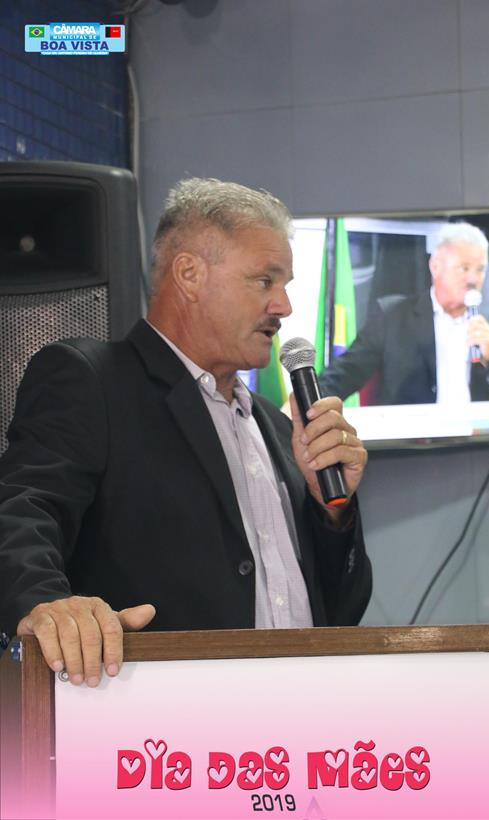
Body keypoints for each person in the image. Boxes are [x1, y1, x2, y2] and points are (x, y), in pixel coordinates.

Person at [0, 178, 370, 687]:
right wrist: (45, 605)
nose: (283, 306)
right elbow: (23, 508)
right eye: (265, 281)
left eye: (285, 285)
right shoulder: (94, 380)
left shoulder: (278, 426)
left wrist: (333, 511)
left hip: (302, 714)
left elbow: (342, 612)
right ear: (189, 275)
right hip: (159, 721)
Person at [318, 222, 489, 406]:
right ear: (435, 267)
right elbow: (344, 375)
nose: (473, 279)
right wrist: (307, 407)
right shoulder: (392, 317)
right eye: (464, 268)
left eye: (480, 269)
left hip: (479, 440)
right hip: (413, 440)